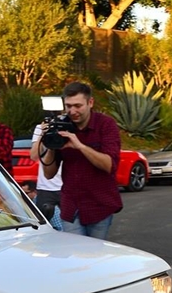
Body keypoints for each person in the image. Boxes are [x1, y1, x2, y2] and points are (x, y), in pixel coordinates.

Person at [37, 82, 122, 240]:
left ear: (90, 103)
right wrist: (51, 143)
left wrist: (80, 146)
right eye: (68, 106)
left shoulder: (106, 125)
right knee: (76, 255)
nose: (72, 111)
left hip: (99, 205)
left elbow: (110, 165)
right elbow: (48, 174)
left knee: (95, 256)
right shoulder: (62, 125)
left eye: (77, 105)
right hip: (71, 206)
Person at [30, 121, 64, 230]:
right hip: (46, 187)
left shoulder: (71, 126)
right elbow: (34, 156)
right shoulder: (41, 127)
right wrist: (43, 134)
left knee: (70, 227)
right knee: (46, 227)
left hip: (66, 186)